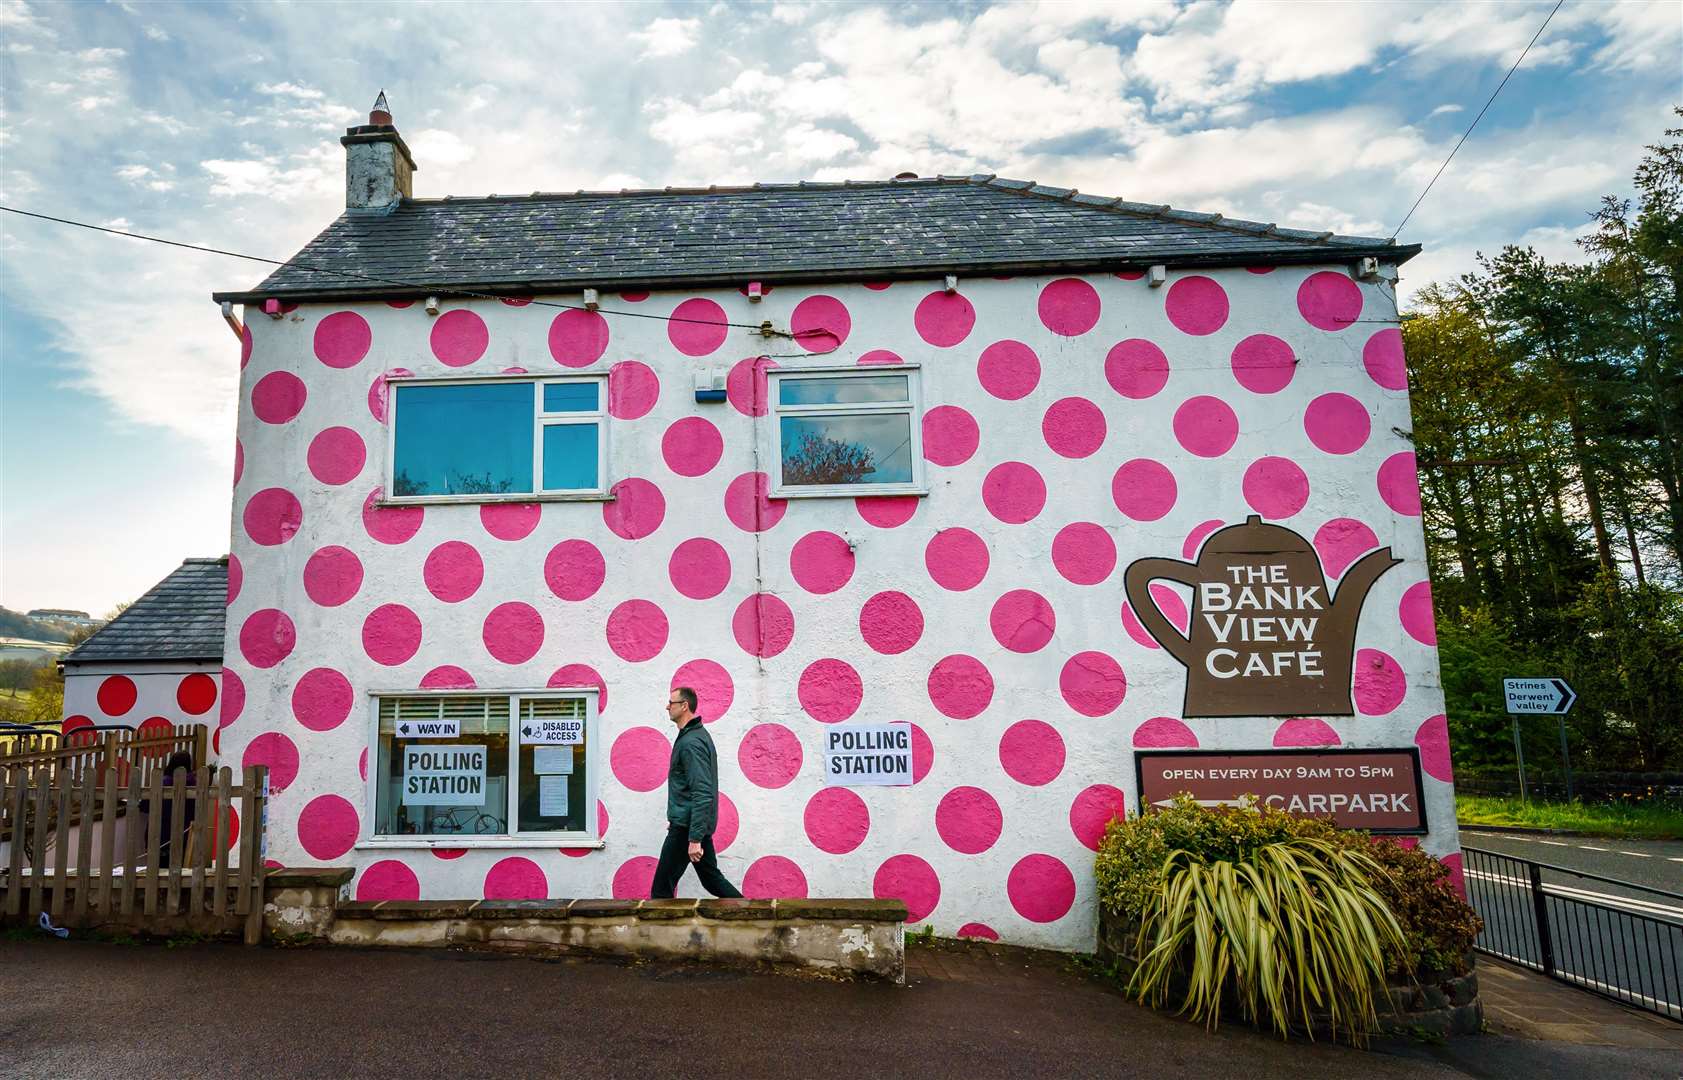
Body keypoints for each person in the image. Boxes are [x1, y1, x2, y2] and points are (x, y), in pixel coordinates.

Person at [649, 686, 742, 899]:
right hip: (688, 823)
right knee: (712, 879)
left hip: (686, 828)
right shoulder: (693, 736)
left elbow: (702, 792)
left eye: (671, 703)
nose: (667, 706)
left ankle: (755, 914)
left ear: (684, 706)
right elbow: (689, 790)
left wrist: (695, 838)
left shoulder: (691, 742)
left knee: (661, 891)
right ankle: (754, 913)